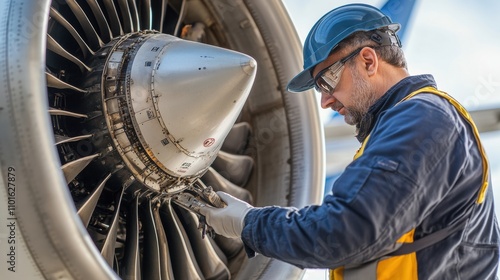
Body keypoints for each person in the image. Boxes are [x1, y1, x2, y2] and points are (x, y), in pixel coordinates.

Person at [199, 3, 500, 279]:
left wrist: (250, 223)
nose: (325, 102)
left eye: (327, 81)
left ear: (368, 61)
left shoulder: (422, 118)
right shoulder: (411, 124)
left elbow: (346, 231)